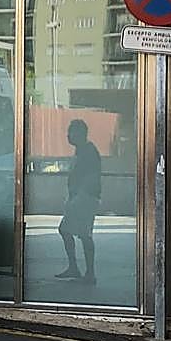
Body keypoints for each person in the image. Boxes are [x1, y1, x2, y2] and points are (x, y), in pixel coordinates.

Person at [56, 119, 101, 285]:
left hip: (84, 198)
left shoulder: (88, 151)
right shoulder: (81, 150)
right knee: (68, 230)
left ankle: (89, 273)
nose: (68, 135)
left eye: (71, 131)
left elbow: (92, 176)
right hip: (78, 198)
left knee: (83, 234)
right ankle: (75, 268)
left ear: (81, 133)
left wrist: (80, 196)